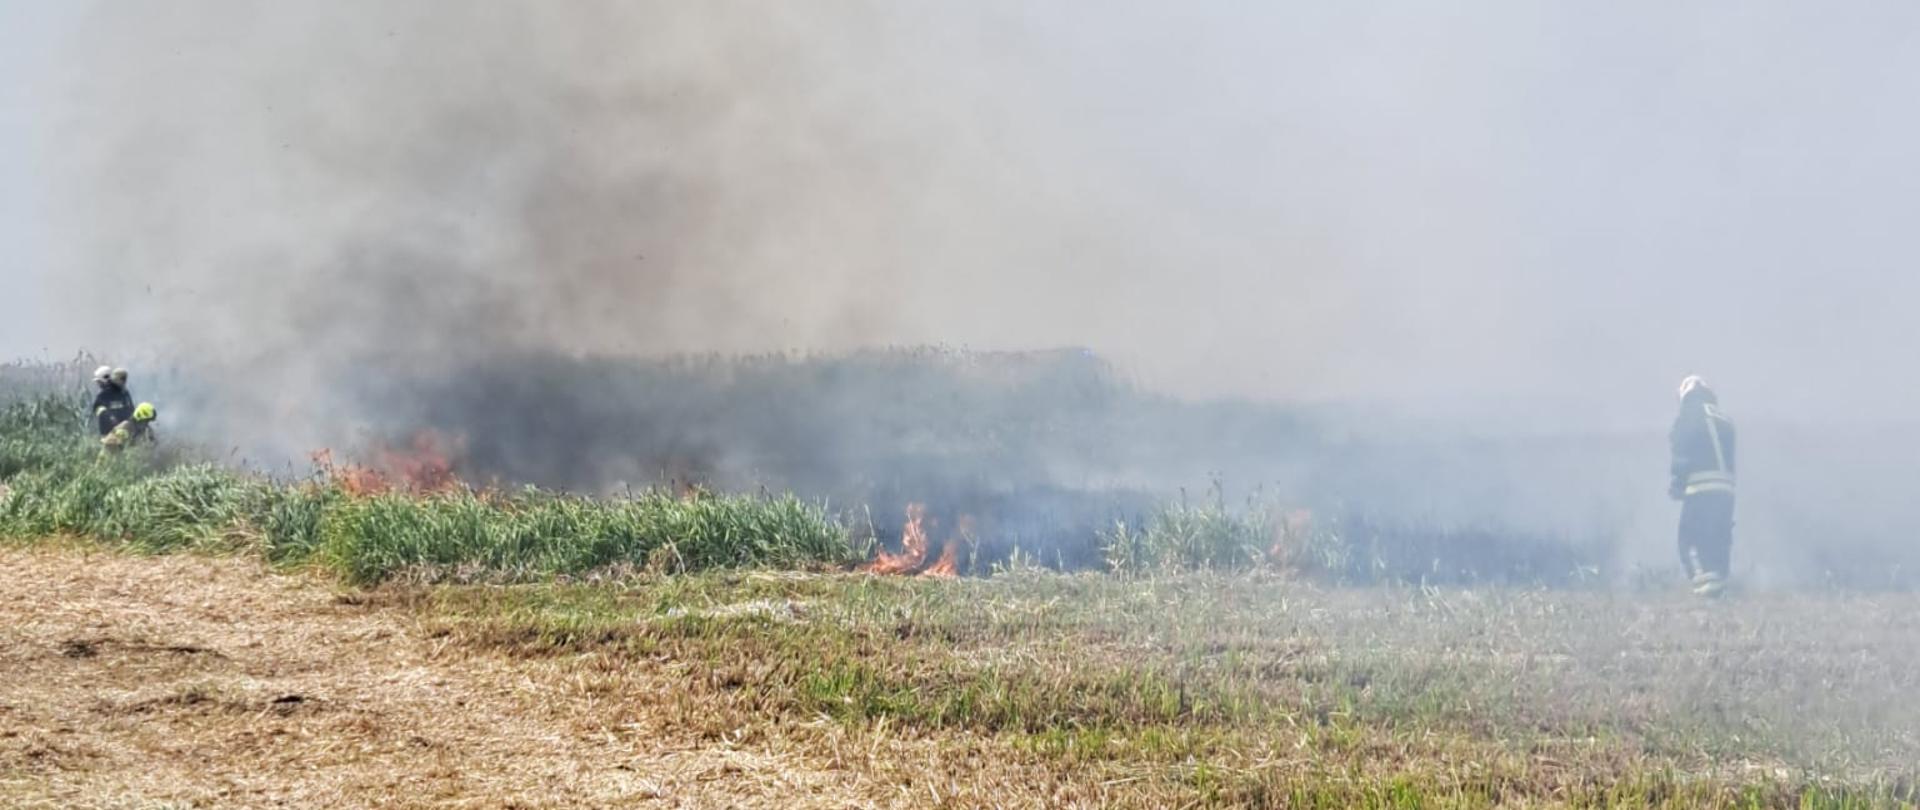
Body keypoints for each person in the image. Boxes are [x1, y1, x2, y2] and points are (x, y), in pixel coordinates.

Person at [1669, 375, 1736, 597]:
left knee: (1688, 541)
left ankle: (1705, 591)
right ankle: (1720, 588)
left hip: (1700, 488)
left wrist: (1678, 484)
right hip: (1726, 490)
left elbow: (1681, 451)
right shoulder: (1724, 419)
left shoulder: (1687, 416)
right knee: (1718, 539)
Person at [90, 366, 135, 437]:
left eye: (99, 382)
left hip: (111, 434)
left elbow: (94, 410)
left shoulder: (103, 395)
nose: (99, 385)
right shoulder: (124, 392)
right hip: (122, 433)